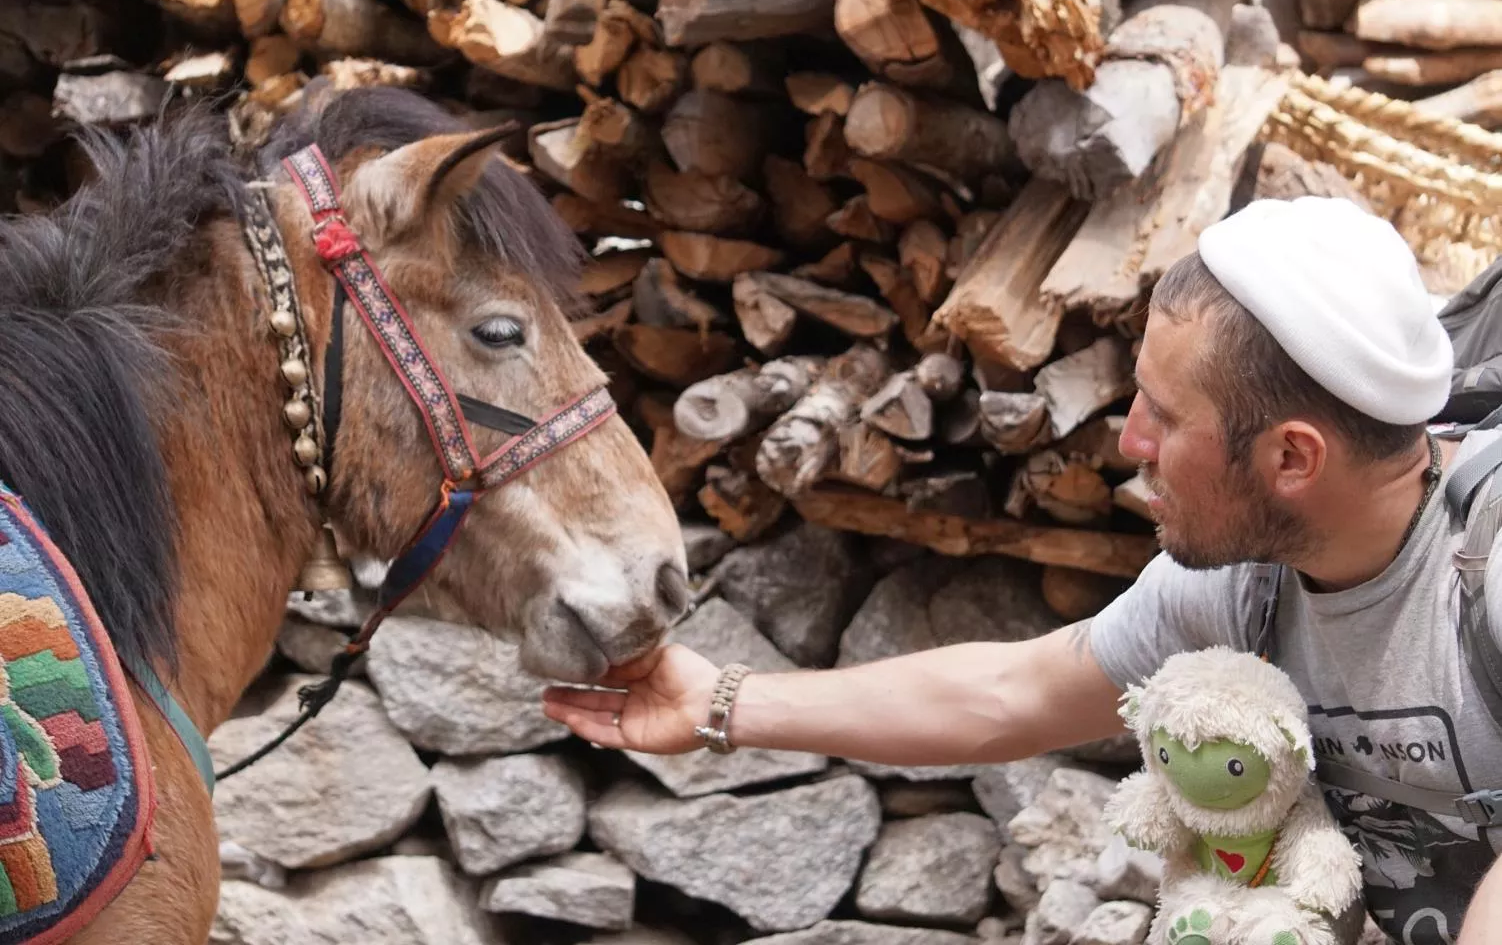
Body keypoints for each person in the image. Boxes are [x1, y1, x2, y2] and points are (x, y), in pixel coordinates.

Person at [542, 196, 1502, 945]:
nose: (1129, 440)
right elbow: (1016, 692)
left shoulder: (1484, 559)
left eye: (1167, 418)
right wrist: (723, 704)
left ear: (1293, 459)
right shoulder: (1248, 580)